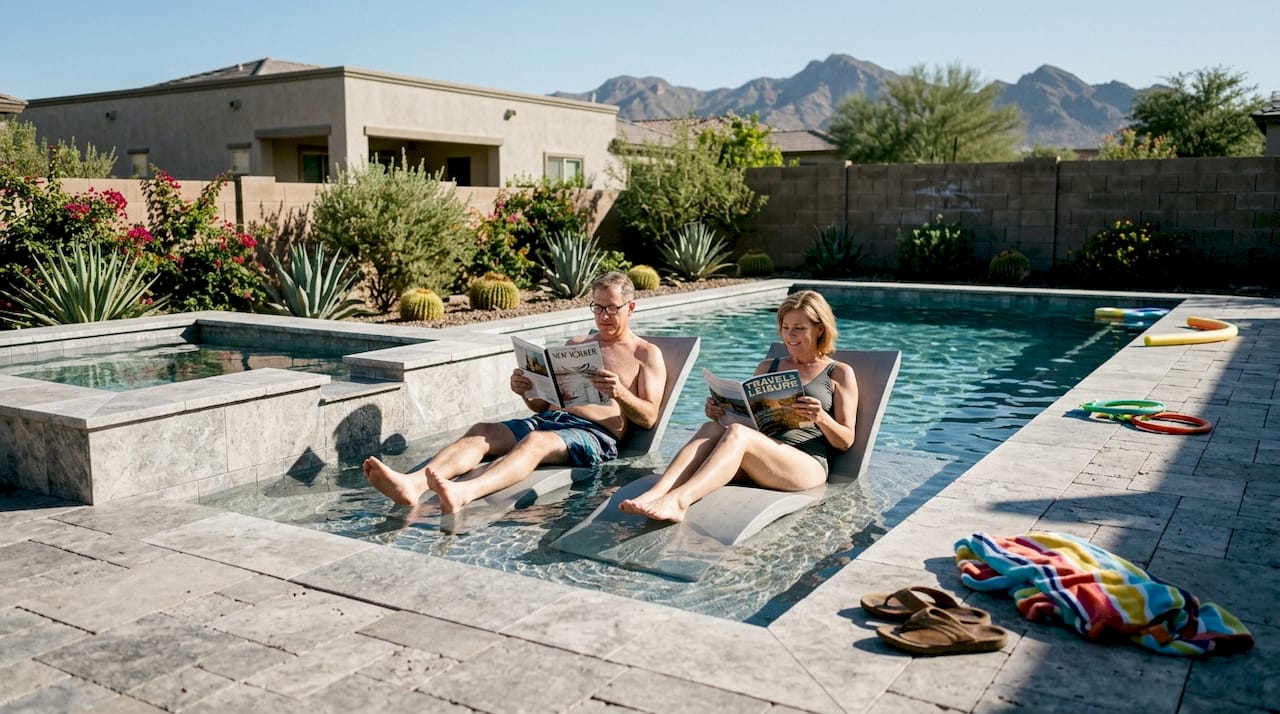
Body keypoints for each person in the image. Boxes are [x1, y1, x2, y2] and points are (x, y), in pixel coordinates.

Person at [364, 271, 667, 514]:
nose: (603, 316)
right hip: (553, 420)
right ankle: (413, 485)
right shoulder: (576, 346)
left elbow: (650, 417)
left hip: (596, 435)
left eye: (611, 309)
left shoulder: (645, 354)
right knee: (482, 431)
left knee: (535, 442)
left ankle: (463, 493)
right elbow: (542, 406)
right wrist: (526, 390)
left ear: (630, 307)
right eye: (597, 308)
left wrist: (620, 393)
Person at [619, 290, 857, 523]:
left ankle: (679, 501)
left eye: (799, 328)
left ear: (820, 329)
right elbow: (750, 418)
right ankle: (656, 493)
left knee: (739, 434)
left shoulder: (839, 373)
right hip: (764, 456)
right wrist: (721, 412)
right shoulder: (768, 367)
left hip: (807, 465)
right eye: (785, 328)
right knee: (712, 428)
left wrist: (822, 418)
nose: (790, 336)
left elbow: (845, 441)